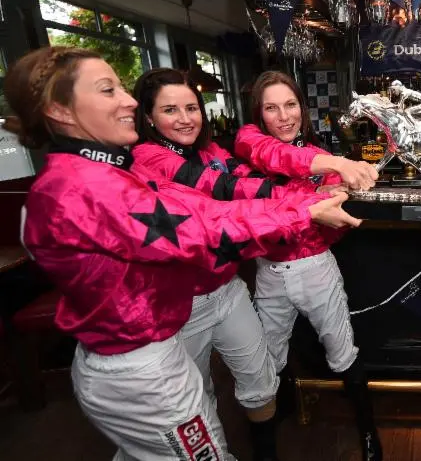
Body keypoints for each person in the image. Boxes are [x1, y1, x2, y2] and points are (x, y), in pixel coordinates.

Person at [8, 46, 359, 461]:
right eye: (107, 89)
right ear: (59, 110)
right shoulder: (86, 186)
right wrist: (305, 208)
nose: (129, 100)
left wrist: (306, 200)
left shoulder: (105, 171)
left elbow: (214, 202)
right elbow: (202, 229)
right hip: (141, 361)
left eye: (192, 107)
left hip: (162, 339)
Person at [130, 68, 320, 461]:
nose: (186, 118)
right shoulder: (146, 157)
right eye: (170, 110)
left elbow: (245, 178)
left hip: (228, 288)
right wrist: (308, 197)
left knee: (260, 379)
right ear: (148, 116)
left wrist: (305, 193)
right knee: (196, 397)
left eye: (192, 108)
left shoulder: (212, 152)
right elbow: (222, 188)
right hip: (183, 303)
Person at [234, 71, 383, 461]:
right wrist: (315, 194)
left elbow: (336, 229)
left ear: (302, 108)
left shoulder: (321, 158)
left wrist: (340, 195)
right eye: (272, 108)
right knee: (268, 358)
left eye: (290, 105)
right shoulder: (250, 146)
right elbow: (274, 171)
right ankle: (271, 433)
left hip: (316, 268)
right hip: (269, 272)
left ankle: (369, 434)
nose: (284, 116)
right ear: (259, 113)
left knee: (342, 351)